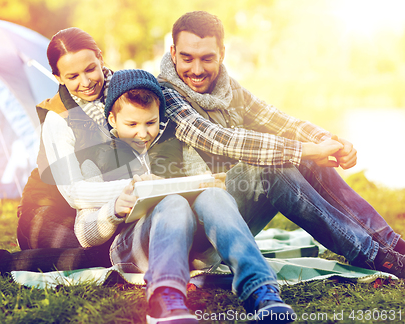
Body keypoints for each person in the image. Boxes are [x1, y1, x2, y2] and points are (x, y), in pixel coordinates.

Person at [157, 11, 405, 278]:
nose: (196, 70)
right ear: (173, 53)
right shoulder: (163, 95)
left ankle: (392, 245)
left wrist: (327, 141)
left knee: (299, 155)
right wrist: (302, 150)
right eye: (187, 58)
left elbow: (275, 119)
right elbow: (219, 139)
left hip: (229, 216)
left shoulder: (226, 88)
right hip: (193, 235)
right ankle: (376, 257)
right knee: (271, 165)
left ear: (222, 54)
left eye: (207, 58)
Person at [74, 68, 296, 324]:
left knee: (213, 195)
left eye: (151, 122)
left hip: (192, 244)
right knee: (173, 202)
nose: (143, 134)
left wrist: (212, 184)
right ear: (112, 119)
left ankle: (261, 292)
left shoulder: (177, 144)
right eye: (131, 124)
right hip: (133, 249)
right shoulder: (95, 159)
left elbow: (201, 184)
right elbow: (84, 234)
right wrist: (114, 210)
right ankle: (165, 299)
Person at [0, 27, 121, 281]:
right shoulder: (58, 116)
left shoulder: (128, 94)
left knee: (132, 245)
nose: (86, 82)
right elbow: (74, 193)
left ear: (100, 59)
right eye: (73, 76)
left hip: (101, 208)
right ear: (58, 78)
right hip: (48, 213)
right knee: (109, 254)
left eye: (90, 69)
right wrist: (132, 191)